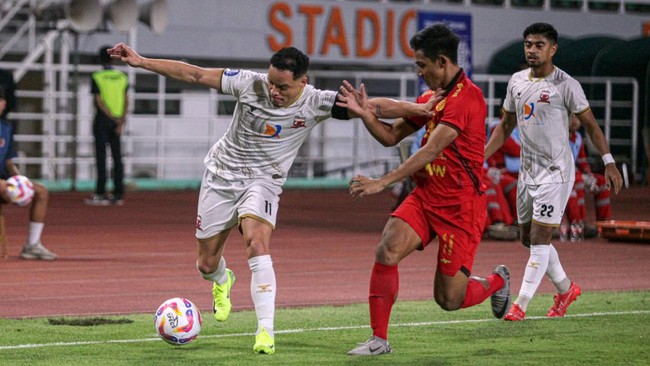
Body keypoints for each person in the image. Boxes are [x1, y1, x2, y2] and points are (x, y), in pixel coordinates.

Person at [107, 43, 433, 354]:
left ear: (303, 83)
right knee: (206, 263)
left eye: (283, 87)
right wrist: (141, 61)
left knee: (257, 244)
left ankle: (265, 330)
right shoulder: (248, 83)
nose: (274, 91)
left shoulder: (317, 101)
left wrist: (417, 109)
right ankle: (222, 279)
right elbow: (193, 74)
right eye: (271, 83)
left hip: (264, 181)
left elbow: (374, 106)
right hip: (222, 176)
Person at [338, 24, 511, 356]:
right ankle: (379, 340)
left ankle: (498, 281)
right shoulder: (431, 99)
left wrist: (383, 181)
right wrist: (365, 114)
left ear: (442, 61)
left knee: (448, 300)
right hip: (426, 196)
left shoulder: (468, 98)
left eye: (422, 65)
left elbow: (430, 150)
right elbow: (390, 135)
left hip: (461, 208)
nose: (419, 72)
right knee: (386, 250)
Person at [484, 23, 623, 321]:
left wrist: (609, 161)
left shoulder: (566, 85)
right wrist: (480, 157)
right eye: (528, 45)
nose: (532, 50)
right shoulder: (516, 81)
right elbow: (505, 126)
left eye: (539, 45)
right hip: (527, 172)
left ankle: (520, 305)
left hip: (556, 172)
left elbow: (591, 126)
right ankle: (566, 289)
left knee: (539, 239)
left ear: (552, 49)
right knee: (528, 238)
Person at [0, 85, 56, 260]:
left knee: (41, 191)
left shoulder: (6, 128)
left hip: (3, 181)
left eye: (1, 100)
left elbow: (9, 161)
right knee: (6, 190)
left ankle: (32, 245)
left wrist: (20, 179)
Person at [85, 46, 129, 206]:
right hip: (118, 120)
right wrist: (120, 121)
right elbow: (126, 100)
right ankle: (118, 194)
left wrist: (109, 117)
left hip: (103, 120)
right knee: (117, 158)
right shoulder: (122, 76)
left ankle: (100, 193)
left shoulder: (97, 76)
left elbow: (98, 100)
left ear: (99, 59)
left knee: (101, 157)